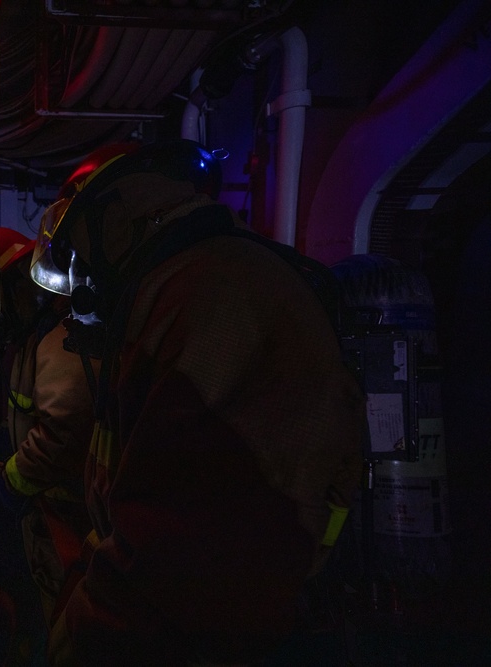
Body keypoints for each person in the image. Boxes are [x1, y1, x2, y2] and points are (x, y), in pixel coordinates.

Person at [29, 140, 365, 665]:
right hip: (231, 610)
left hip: (217, 629)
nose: (82, 281)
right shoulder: (183, 283)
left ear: (114, 214)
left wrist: (86, 631)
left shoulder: (203, 295)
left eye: (80, 255)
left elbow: (174, 542)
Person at [0, 227, 95, 625]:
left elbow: (61, 434)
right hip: (51, 516)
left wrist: (12, 480)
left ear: (11, 283)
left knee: (68, 619)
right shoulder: (36, 336)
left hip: (69, 517)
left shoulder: (62, 338)